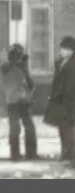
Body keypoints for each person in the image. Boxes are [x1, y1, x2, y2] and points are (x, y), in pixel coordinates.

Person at [1, 43, 37, 161]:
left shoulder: (5, 68)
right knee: (29, 127)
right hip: (22, 100)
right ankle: (30, 153)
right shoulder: (20, 69)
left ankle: (14, 154)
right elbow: (30, 84)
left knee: (14, 128)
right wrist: (24, 67)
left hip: (11, 101)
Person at [43, 36, 75, 164]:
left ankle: (71, 154)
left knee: (69, 129)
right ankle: (65, 152)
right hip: (59, 100)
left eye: (66, 49)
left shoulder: (73, 64)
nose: (63, 51)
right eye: (62, 48)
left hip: (70, 101)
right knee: (62, 128)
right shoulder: (59, 63)